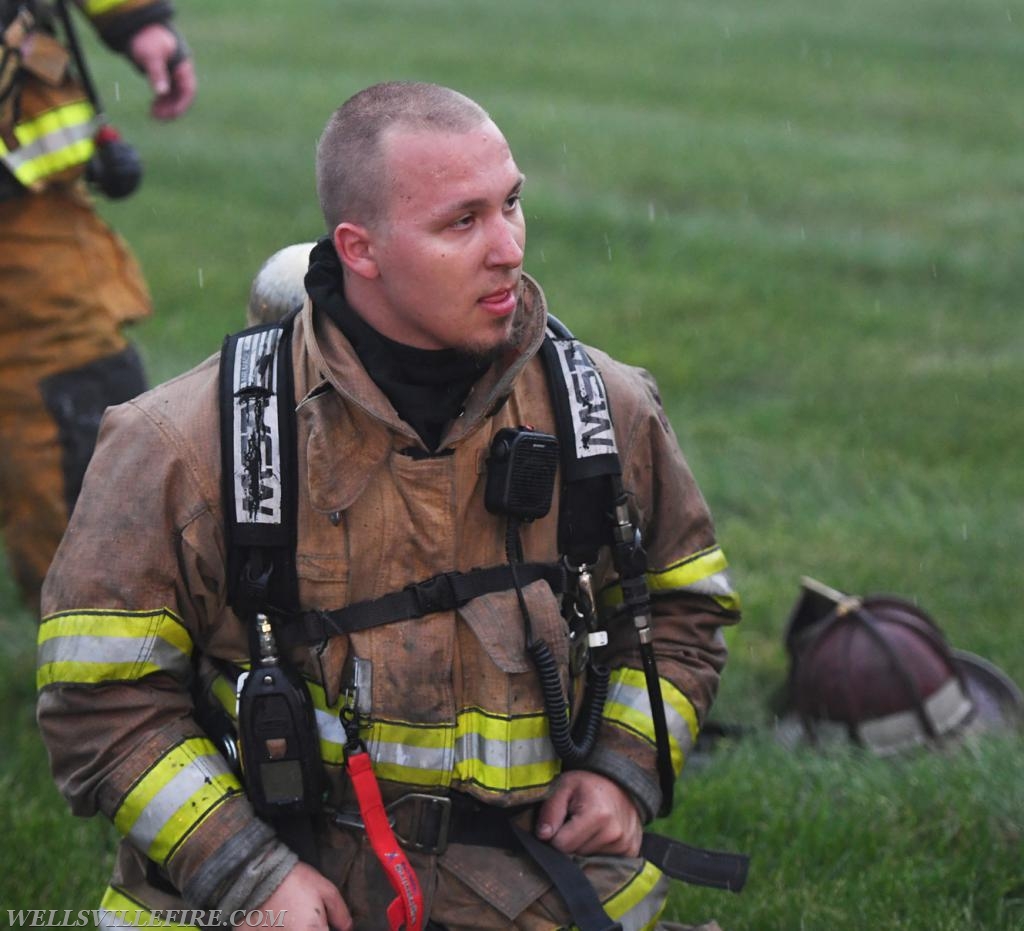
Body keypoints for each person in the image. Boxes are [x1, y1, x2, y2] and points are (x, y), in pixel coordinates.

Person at [37, 82, 741, 931]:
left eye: (511, 204)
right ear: (358, 249)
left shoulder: (602, 411)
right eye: (462, 221)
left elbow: (678, 608)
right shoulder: (184, 442)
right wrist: (244, 870)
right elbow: (99, 697)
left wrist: (625, 767)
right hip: (278, 894)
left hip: (527, 887)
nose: (509, 248)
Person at [0, 0, 196, 612]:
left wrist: (134, 20)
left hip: (24, 208)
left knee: (82, 405)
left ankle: (102, 650)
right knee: (73, 415)